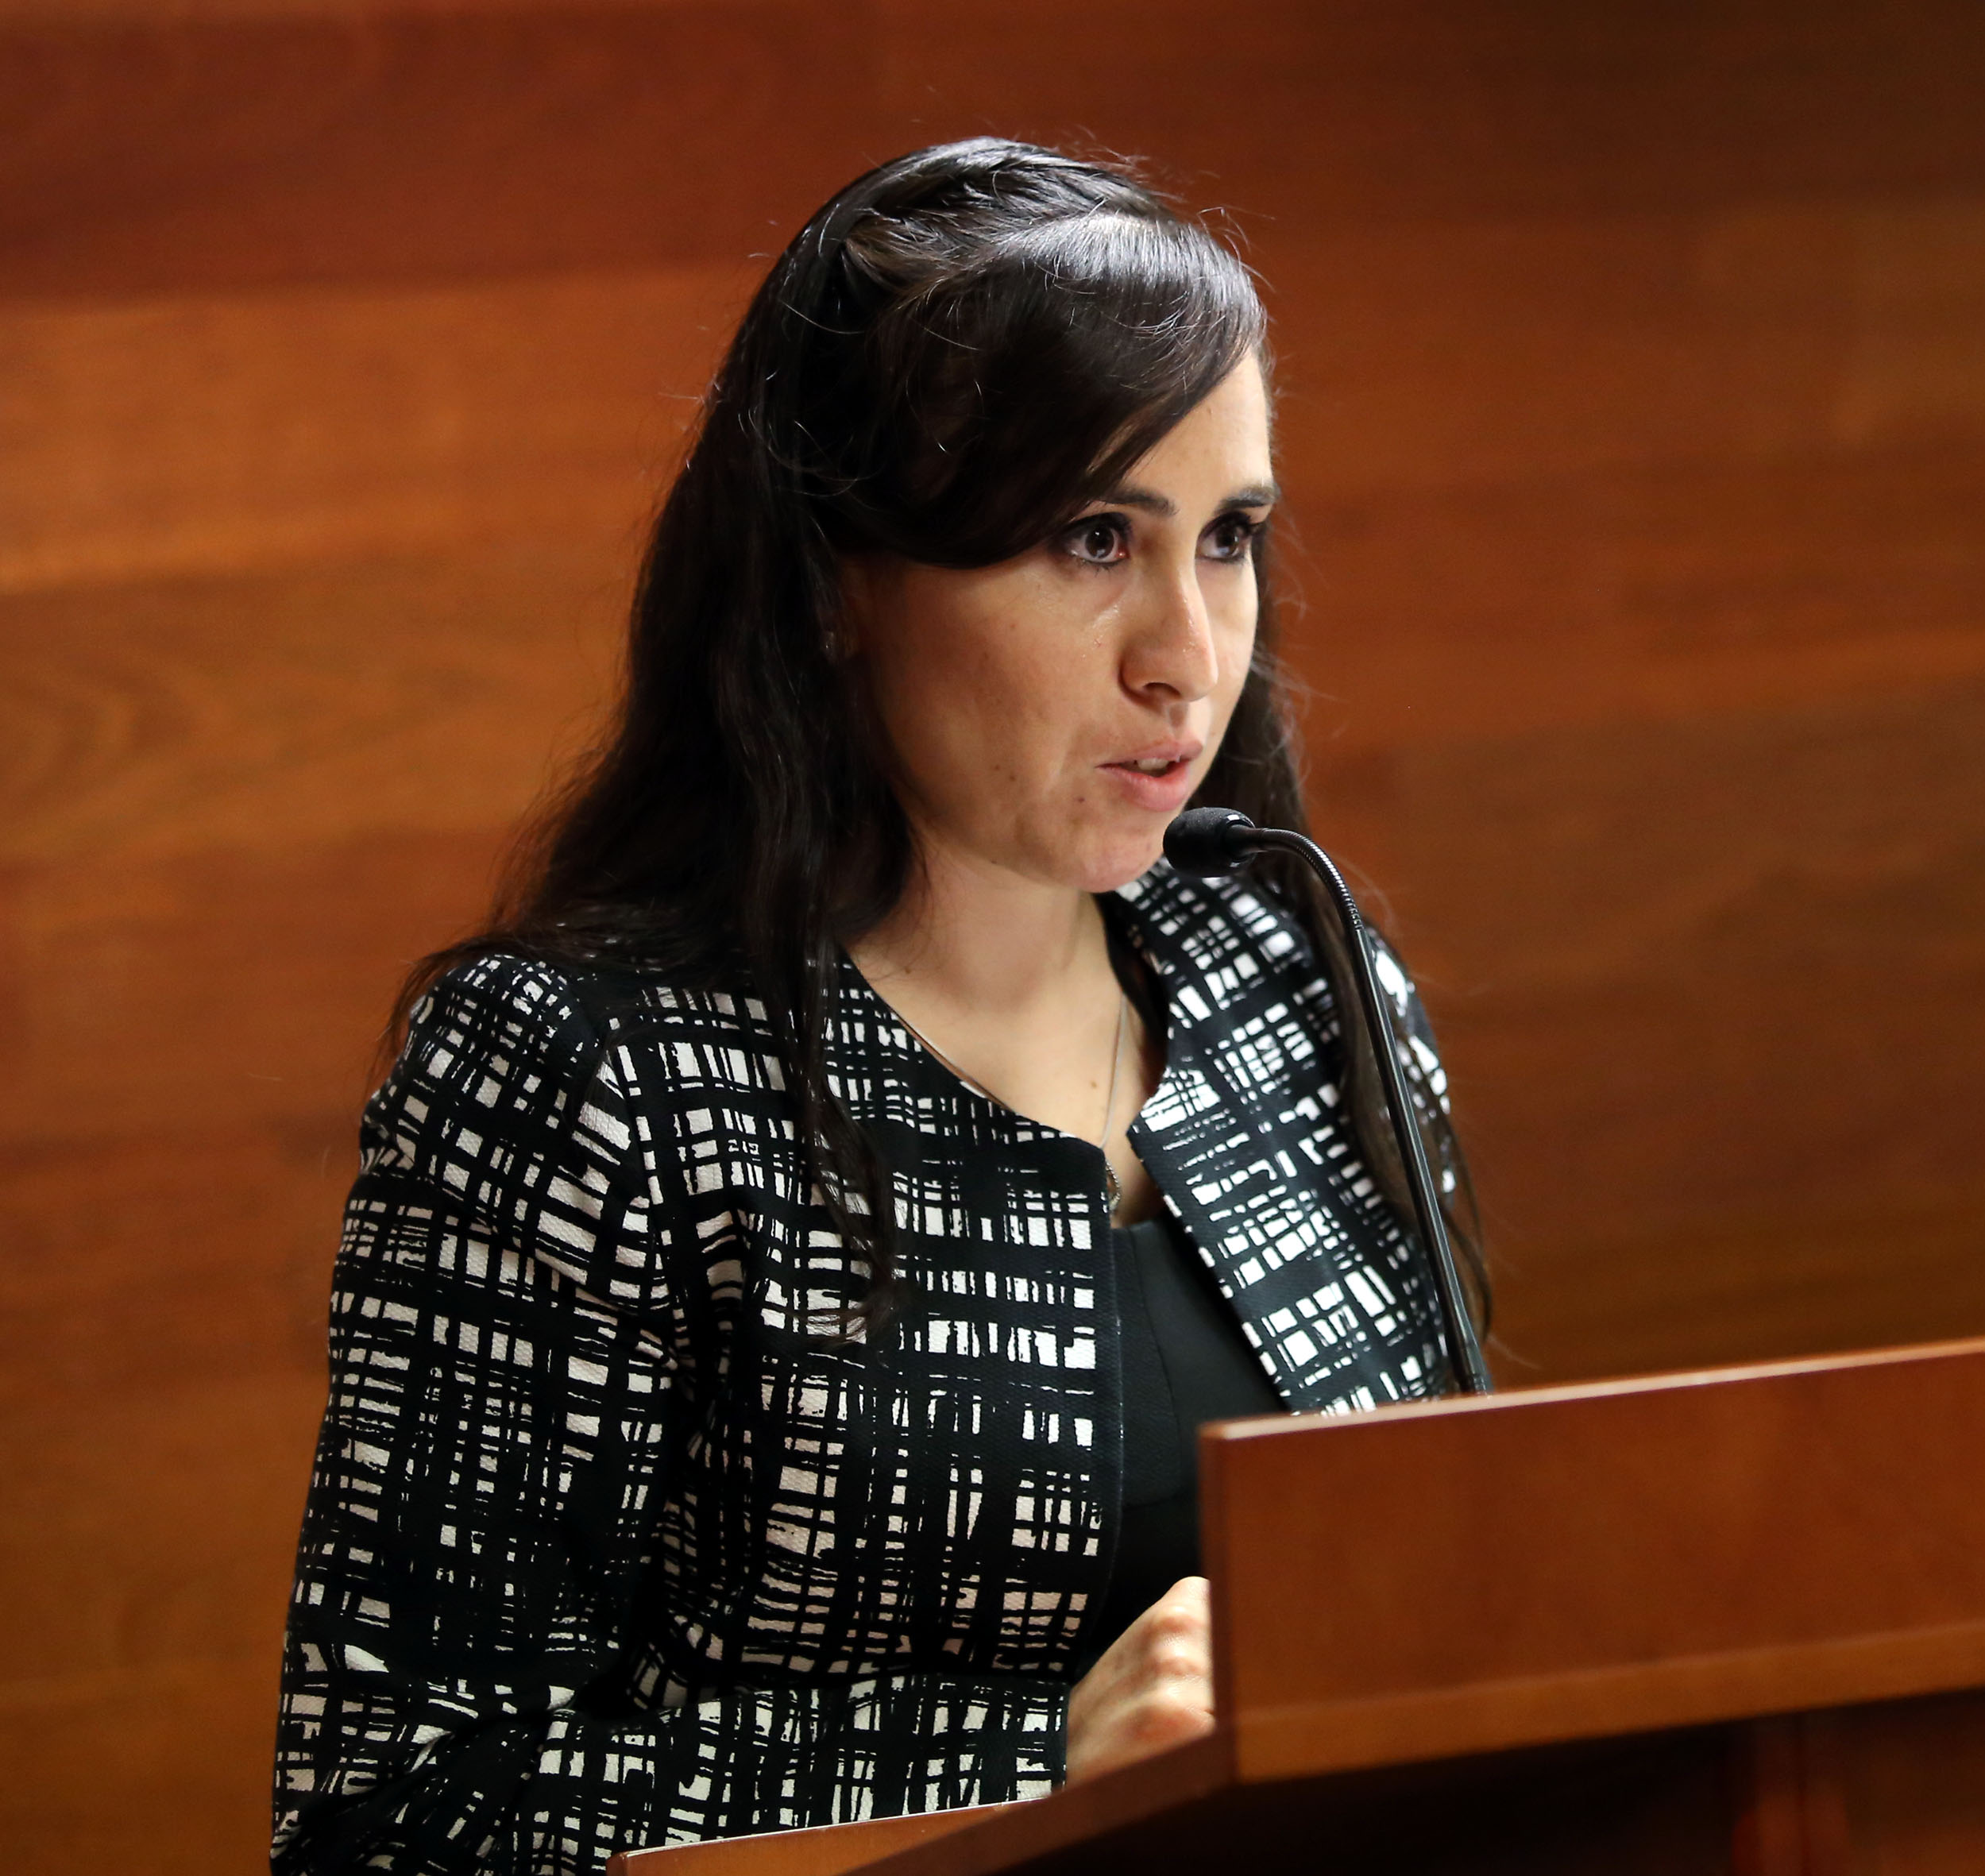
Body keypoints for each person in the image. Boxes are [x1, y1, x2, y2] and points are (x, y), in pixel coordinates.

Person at [270, 138, 1482, 1876]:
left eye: (1227, 538)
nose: (1189, 656)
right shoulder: (583, 1071)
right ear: (837, 583)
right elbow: (388, 1816)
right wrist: (1035, 1768)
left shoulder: (1297, 969)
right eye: (1090, 538)